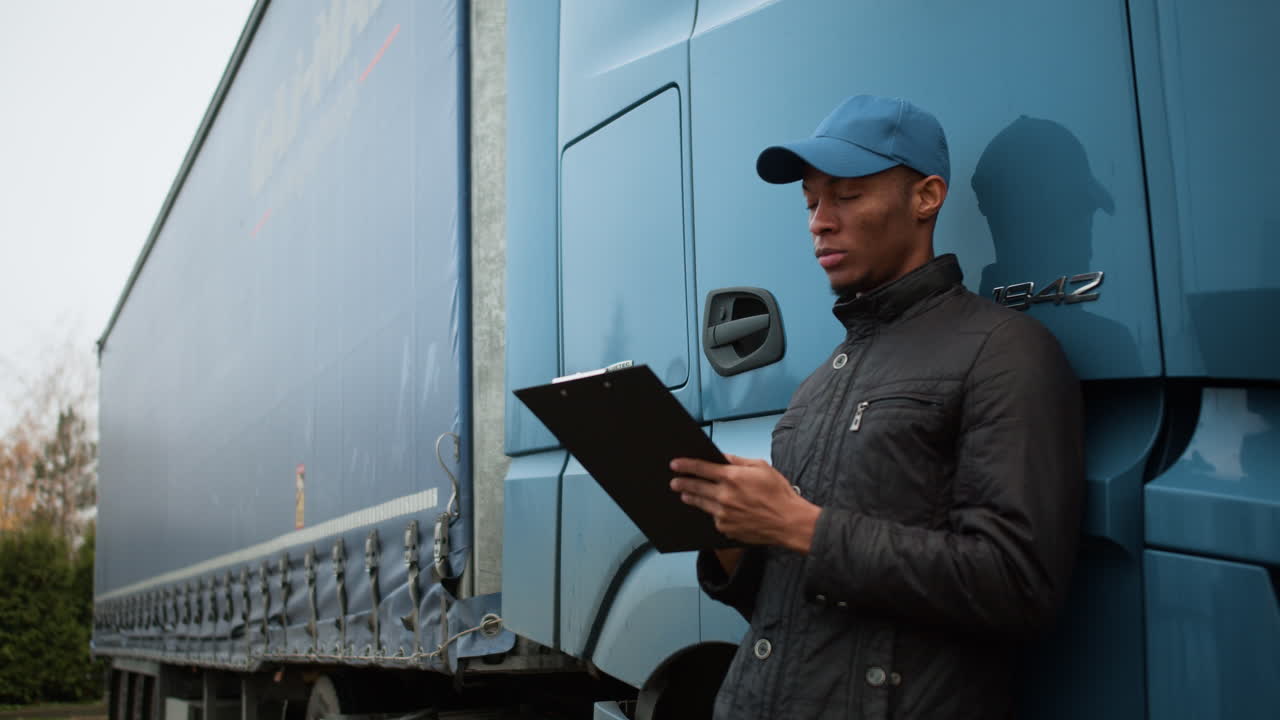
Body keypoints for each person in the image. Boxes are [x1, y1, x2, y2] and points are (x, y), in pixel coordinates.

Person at [669, 95, 1084, 719]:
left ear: (926, 197)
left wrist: (799, 525)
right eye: (811, 202)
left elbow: (1015, 583)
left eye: (846, 196)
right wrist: (732, 540)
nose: (819, 221)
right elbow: (784, 603)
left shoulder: (1006, 351)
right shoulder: (814, 389)